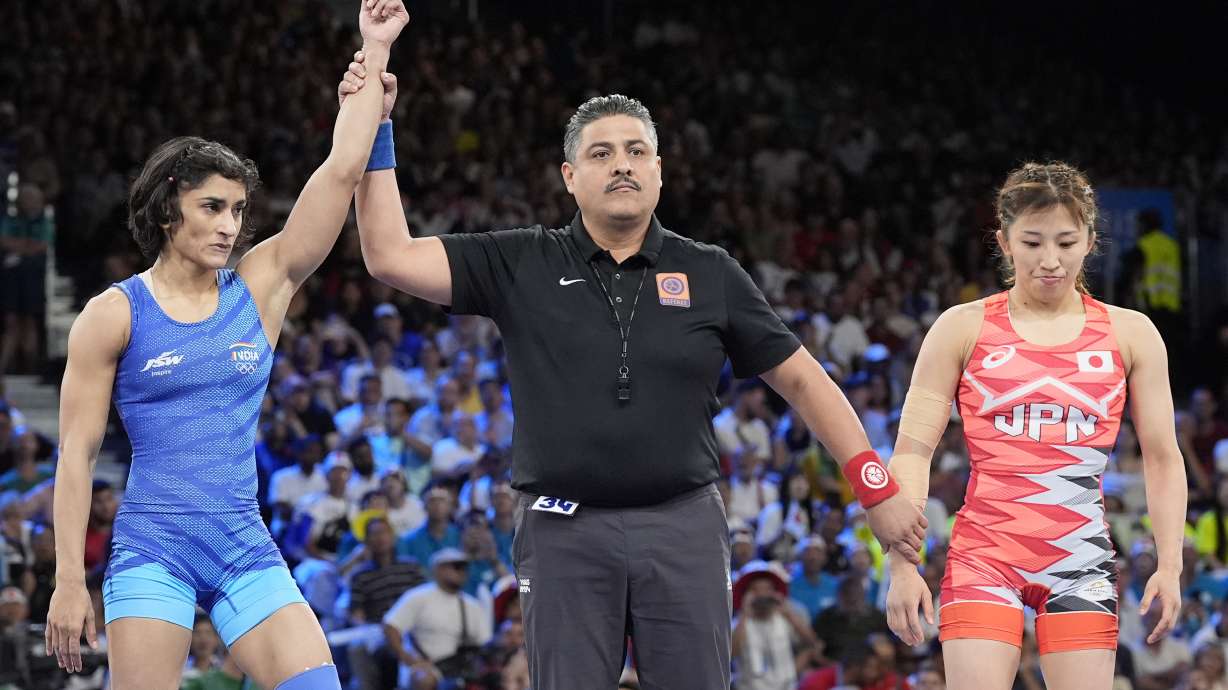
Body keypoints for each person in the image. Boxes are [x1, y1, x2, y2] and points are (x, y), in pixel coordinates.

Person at [339, 67, 926, 688]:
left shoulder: (710, 271)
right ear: (570, 177)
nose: (622, 165)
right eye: (601, 153)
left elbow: (807, 382)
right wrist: (377, 126)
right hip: (562, 530)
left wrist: (877, 491)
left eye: (636, 151)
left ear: (659, 171)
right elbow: (388, 256)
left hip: (684, 527)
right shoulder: (521, 259)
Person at [44, 5, 409, 689]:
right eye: (213, 207)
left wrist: (375, 48)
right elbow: (77, 453)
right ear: (167, 209)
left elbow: (340, 171)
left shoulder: (261, 287)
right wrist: (69, 581)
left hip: (243, 543)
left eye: (239, 210)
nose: (230, 226)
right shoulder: (114, 314)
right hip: (155, 546)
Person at [884, 162, 1187, 690]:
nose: (1051, 261)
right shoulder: (962, 327)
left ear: (1091, 240)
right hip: (983, 556)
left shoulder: (1132, 333)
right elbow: (912, 453)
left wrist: (1170, 563)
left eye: (1067, 243)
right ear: (1003, 241)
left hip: (1080, 559)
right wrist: (901, 566)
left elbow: (1162, 456)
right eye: (1032, 242)